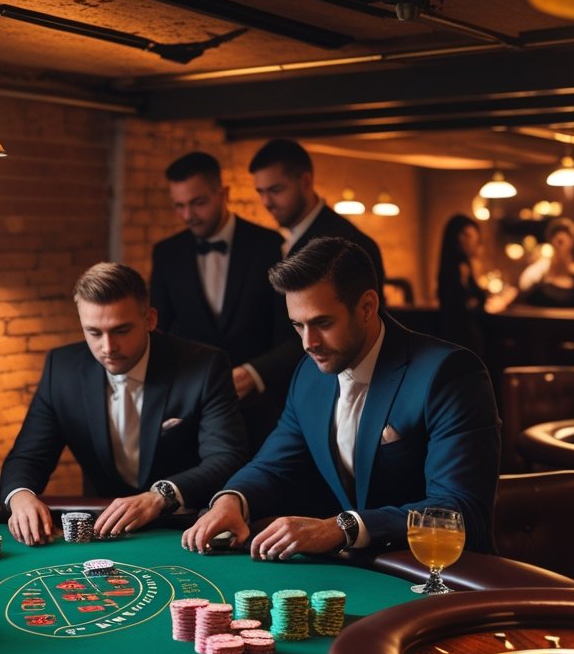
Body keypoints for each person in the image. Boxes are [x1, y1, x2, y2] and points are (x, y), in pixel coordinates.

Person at [181, 237, 500, 561]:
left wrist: (342, 527)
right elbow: (272, 466)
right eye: (298, 325)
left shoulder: (448, 374)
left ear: (367, 307)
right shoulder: (309, 374)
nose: (308, 342)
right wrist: (232, 499)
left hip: (439, 574)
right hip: (357, 571)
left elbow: (460, 512)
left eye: (323, 323)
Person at [0, 262, 248, 545]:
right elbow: (28, 457)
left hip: (184, 528)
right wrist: (21, 496)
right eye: (93, 332)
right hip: (104, 531)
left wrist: (160, 496)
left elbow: (226, 456)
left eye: (121, 330)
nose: (107, 347)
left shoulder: (205, 366)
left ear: (150, 320)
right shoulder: (62, 369)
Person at [150, 151, 287, 453]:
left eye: (198, 203)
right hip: (192, 416)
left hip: (261, 413)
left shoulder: (269, 245)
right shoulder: (166, 253)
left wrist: (254, 373)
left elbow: (287, 333)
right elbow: (159, 332)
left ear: (223, 193)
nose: (188, 216)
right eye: (179, 206)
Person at [241, 138, 389, 407]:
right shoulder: (274, 242)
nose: (266, 202)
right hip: (285, 396)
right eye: (260, 192)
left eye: (275, 190)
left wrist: (258, 371)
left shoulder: (351, 243)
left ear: (306, 181)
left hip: (335, 394)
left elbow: (366, 329)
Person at [517, 217, 574, 310]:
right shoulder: (537, 273)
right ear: (550, 240)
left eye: (567, 236)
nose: (560, 241)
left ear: (573, 241)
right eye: (556, 236)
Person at [436, 214, 488, 353]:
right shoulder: (455, 268)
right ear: (456, 238)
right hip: (460, 338)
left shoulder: (463, 266)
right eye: (468, 235)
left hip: (459, 338)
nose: (474, 241)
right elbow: (463, 304)